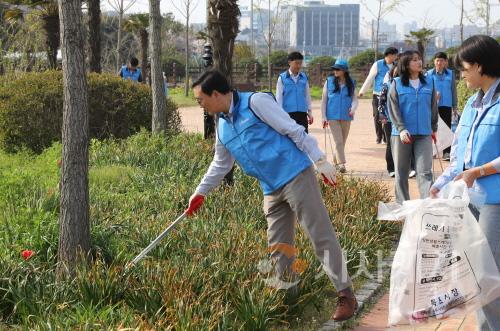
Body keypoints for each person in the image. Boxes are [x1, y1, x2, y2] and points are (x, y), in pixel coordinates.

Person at [186, 70, 358, 321]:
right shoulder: (222, 124)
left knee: (320, 236)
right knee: (279, 247)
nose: (200, 104)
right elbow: (220, 164)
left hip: (296, 175)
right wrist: (199, 193)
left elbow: (292, 129)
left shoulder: (255, 103)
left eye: (200, 99)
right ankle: (289, 302)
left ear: (215, 94)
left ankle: (346, 295)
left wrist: (320, 160)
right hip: (270, 188)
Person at [430, 35, 500, 330]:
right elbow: (461, 154)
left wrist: (479, 172)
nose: (462, 74)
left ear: (481, 67)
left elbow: (476, 166)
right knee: (474, 270)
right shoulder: (472, 103)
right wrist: (441, 181)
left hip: (495, 201)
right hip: (470, 198)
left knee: (487, 270)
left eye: (465, 68)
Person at [388, 50, 438, 203]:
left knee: (425, 171)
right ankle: (403, 205)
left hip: (424, 133)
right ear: (406, 64)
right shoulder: (396, 83)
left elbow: (433, 106)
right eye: (414, 60)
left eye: (419, 59)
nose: (419, 62)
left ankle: (427, 205)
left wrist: (433, 128)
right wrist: (401, 128)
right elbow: (393, 108)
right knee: (401, 172)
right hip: (402, 135)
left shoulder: (430, 82)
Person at [379, 64, 417, 178]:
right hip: (389, 120)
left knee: (409, 143)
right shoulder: (387, 85)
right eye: (396, 74)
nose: (397, 76)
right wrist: (382, 116)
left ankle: (411, 168)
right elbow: (381, 102)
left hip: (405, 120)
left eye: (399, 73)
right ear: (392, 74)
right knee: (391, 145)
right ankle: (391, 168)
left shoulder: (408, 85)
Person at [321, 59, 358, 173]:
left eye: (337, 69)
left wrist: (353, 109)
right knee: (339, 141)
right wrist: (323, 117)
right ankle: (342, 165)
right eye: (334, 69)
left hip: (346, 116)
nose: (335, 71)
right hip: (332, 116)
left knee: (342, 142)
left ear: (344, 70)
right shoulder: (329, 81)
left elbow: (355, 100)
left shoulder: (351, 83)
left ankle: (336, 163)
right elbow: (324, 101)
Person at [359, 47, 399, 144]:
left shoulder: (396, 65)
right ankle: (379, 136)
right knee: (377, 116)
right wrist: (362, 91)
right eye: (395, 55)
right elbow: (370, 78)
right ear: (389, 55)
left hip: (391, 94)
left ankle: (386, 137)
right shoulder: (378, 64)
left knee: (387, 116)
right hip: (377, 93)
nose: (396, 57)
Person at [427, 52, 458, 160]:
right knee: (433, 128)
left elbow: (453, 90)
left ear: (446, 62)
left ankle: (446, 153)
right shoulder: (428, 74)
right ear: (434, 61)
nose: (439, 62)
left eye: (442, 60)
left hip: (446, 105)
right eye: (437, 60)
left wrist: (455, 106)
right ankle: (433, 151)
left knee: (447, 127)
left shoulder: (451, 74)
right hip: (433, 105)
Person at [276, 51, 313, 132]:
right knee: (289, 140)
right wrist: (280, 115)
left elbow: (307, 95)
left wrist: (310, 111)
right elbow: (279, 98)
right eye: (296, 63)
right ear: (289, 62)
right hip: (288, 114)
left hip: (302, 114)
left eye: (300, 63)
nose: (299, 66)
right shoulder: (282, 78)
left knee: (304, 140)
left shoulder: (304, 77)